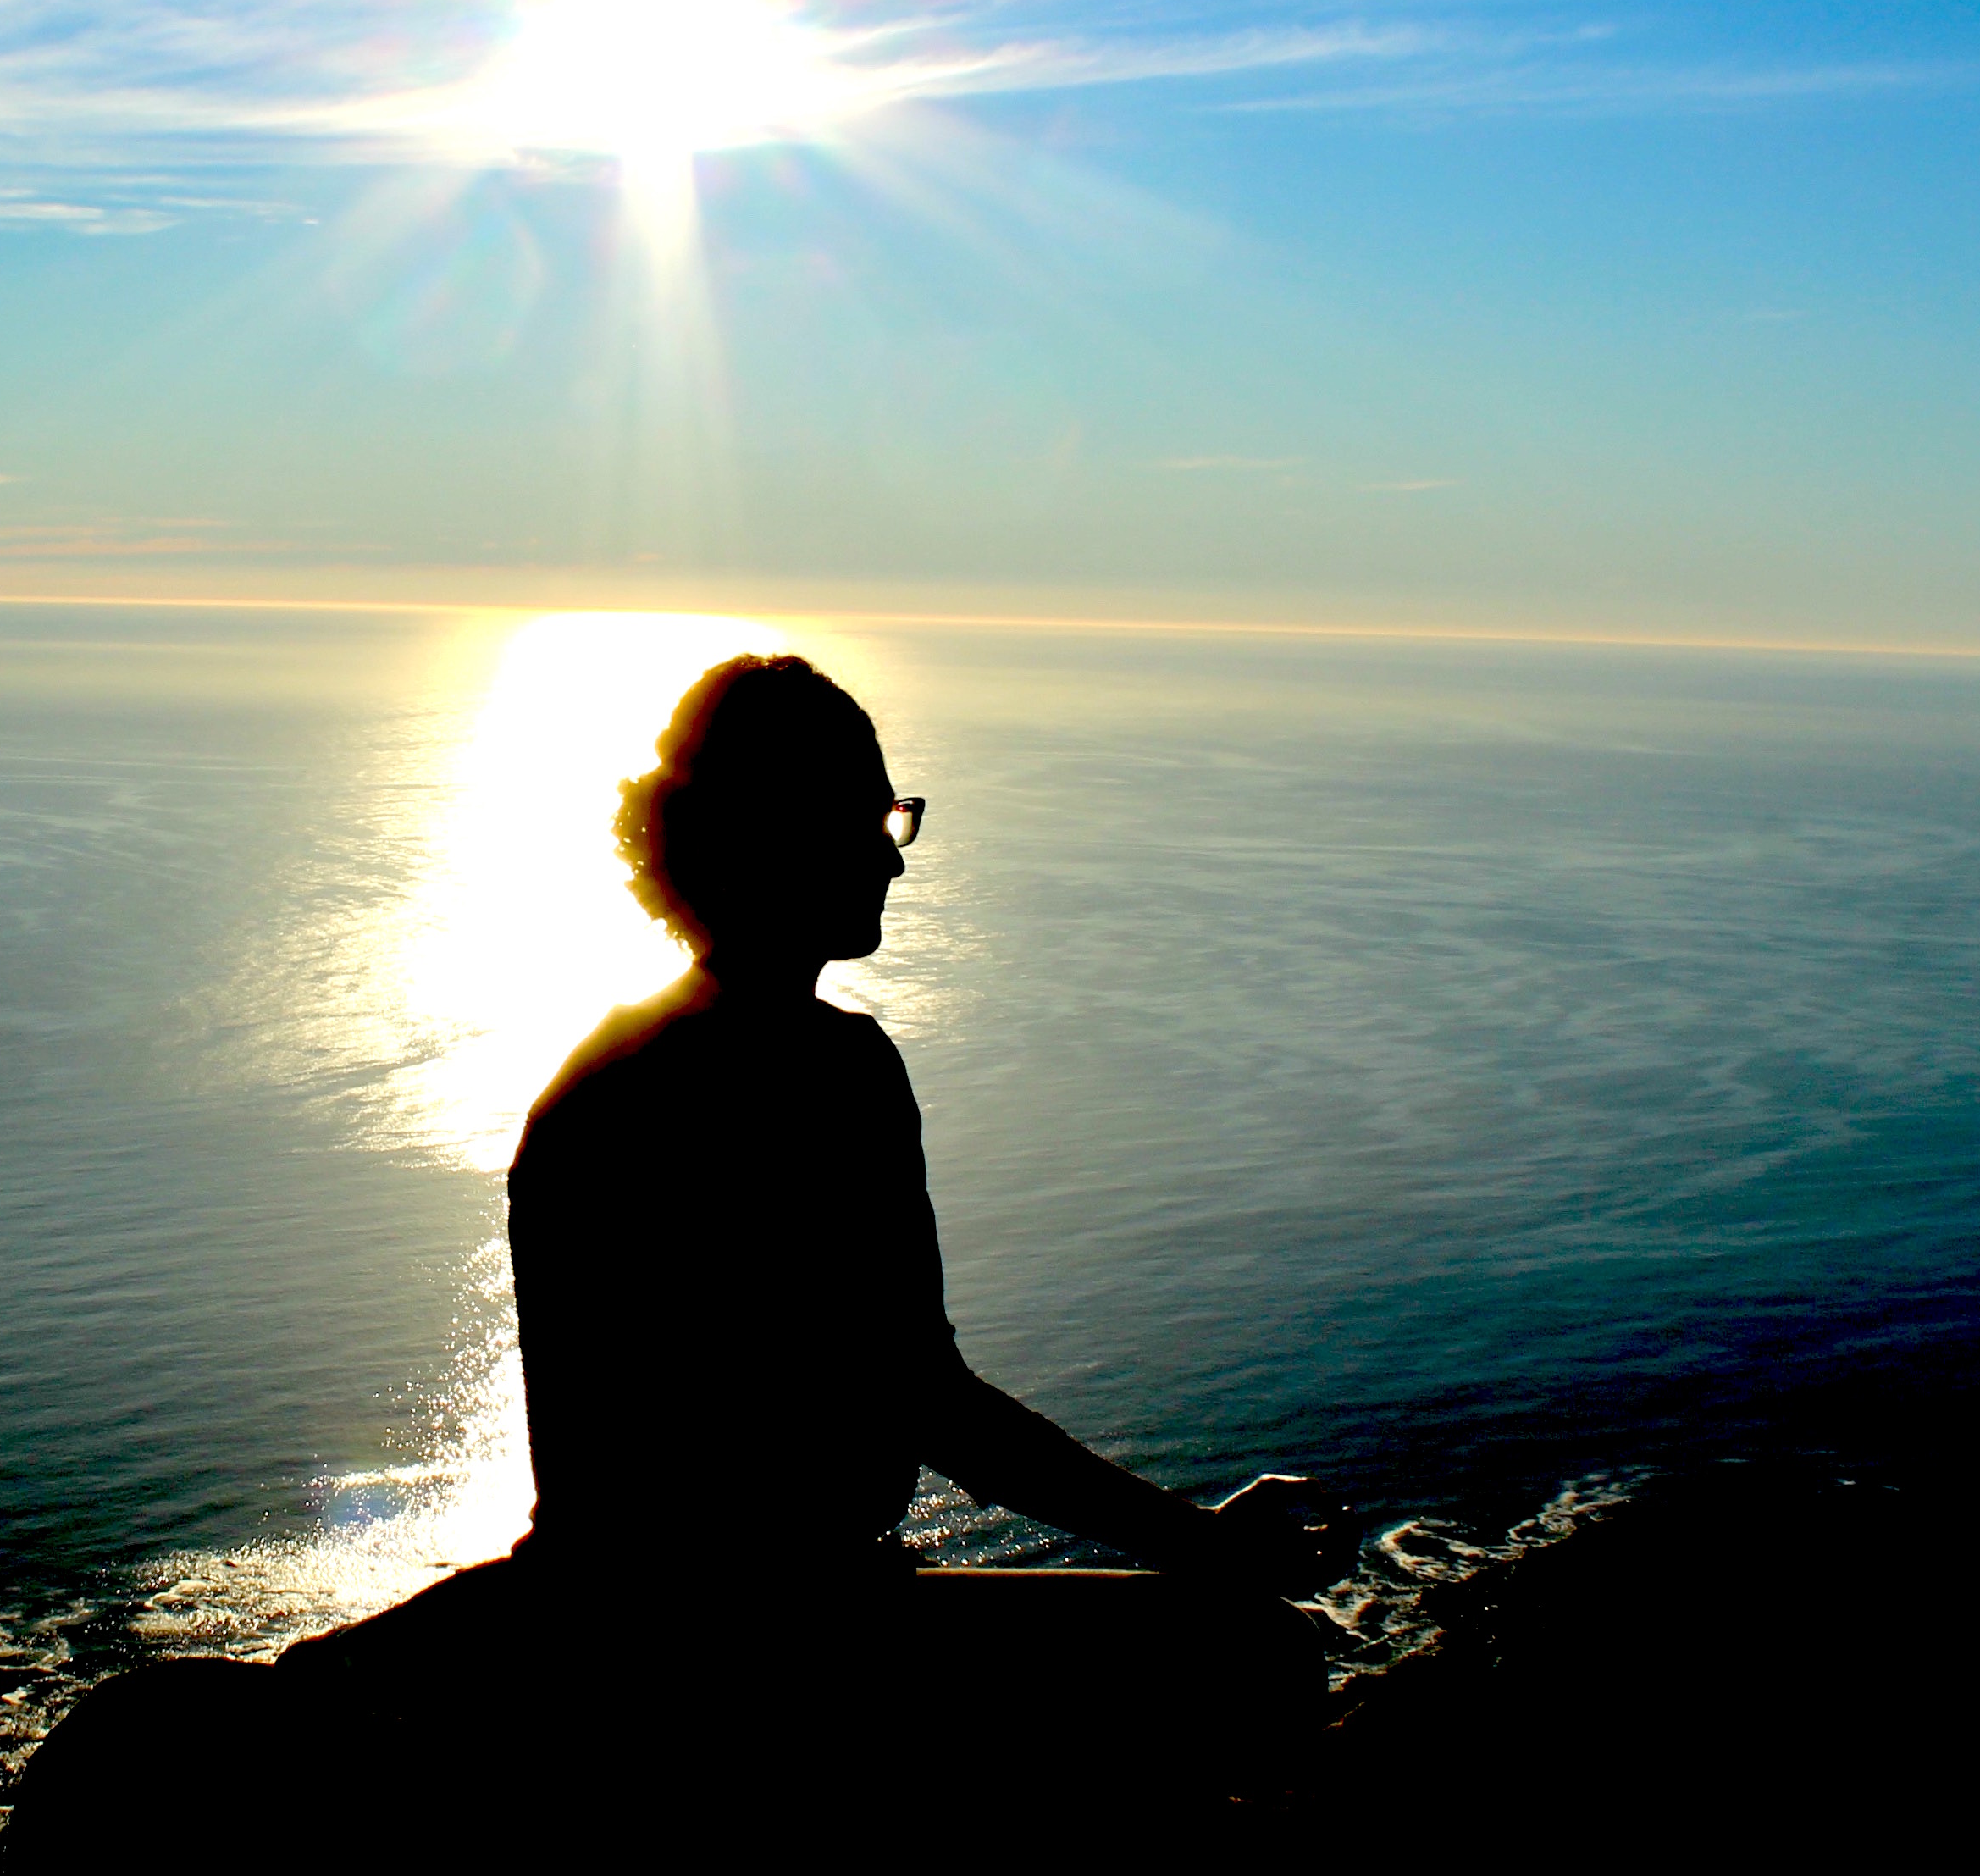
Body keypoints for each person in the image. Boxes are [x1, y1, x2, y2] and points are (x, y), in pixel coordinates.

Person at [288, 652, 1330, 1725]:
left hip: (631, 1616)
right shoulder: (824, 1074)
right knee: (1256, 1658)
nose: (896, 864)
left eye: (897, 819)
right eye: (869, 823)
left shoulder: (611, 1076)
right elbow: (926, 1399)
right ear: (774, 837)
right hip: (751, 1643)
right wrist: (1204, 1541)